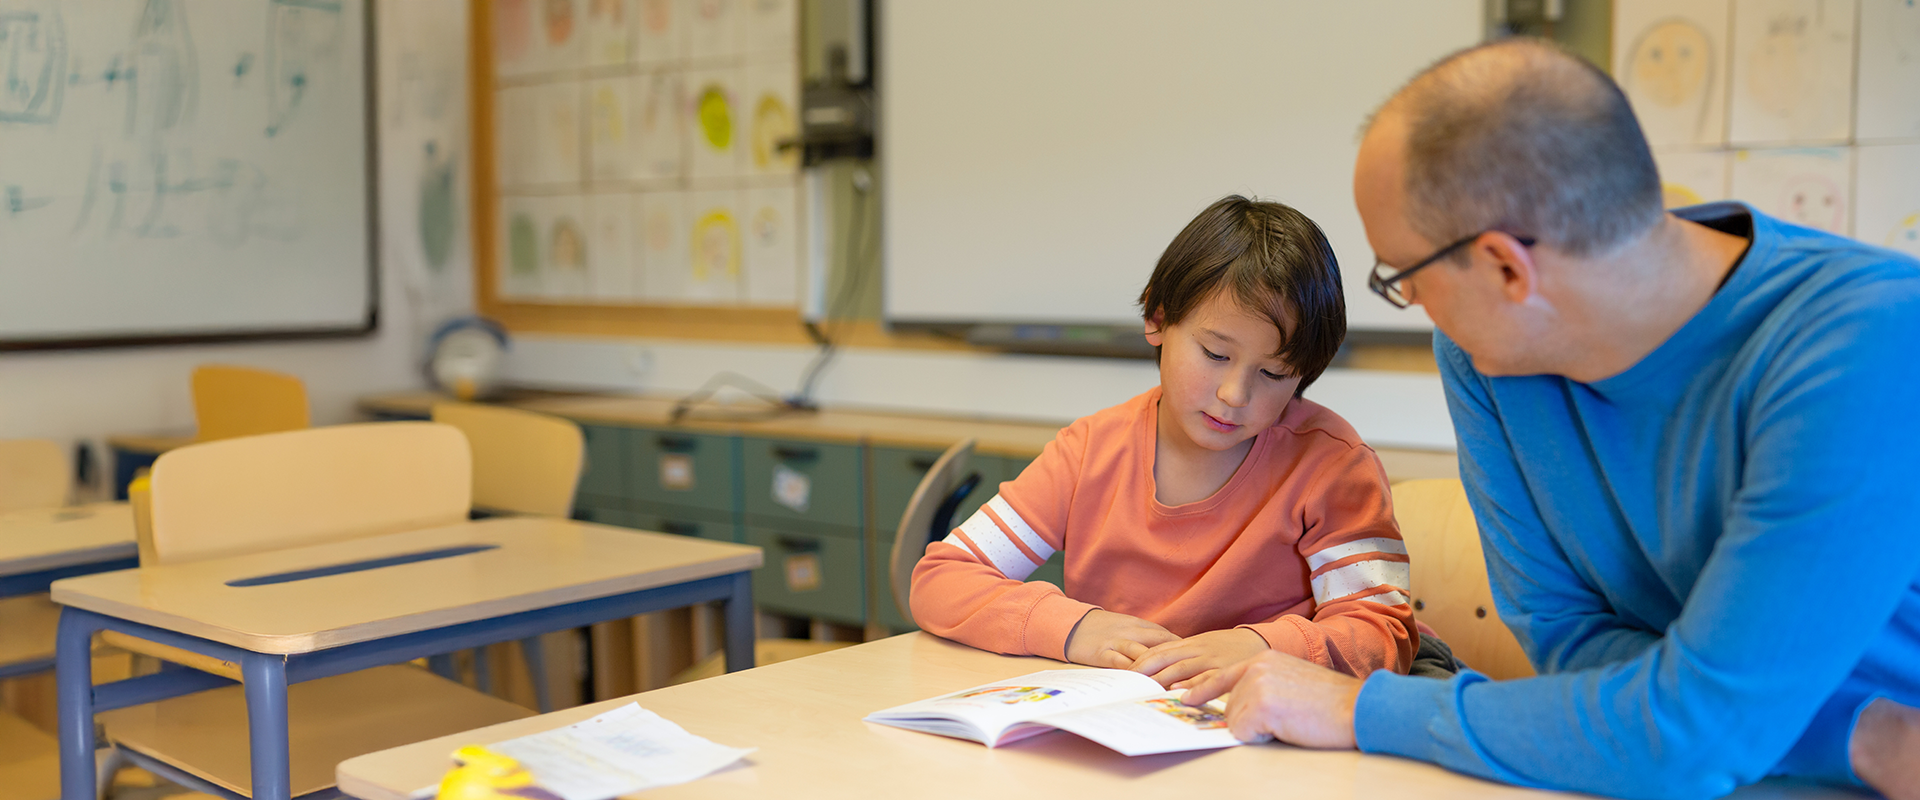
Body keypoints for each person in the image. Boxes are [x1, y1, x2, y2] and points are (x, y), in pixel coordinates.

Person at [1182, 38, 1920, 800]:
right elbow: (1568, 643)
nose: (1417, 306)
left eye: (1401, 277)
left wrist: (1358, 708)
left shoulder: (1871, 340)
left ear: (1507, 267)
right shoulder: (1485, 356)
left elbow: (1691, 734)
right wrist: (1859, 735)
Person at [911, 195, 1418, 687]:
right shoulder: (1090, 451)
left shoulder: (1331, 466)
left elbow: (1381, 635)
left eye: (1273, 372)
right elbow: (943, 578)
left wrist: (1261, 648)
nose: (1234, 394)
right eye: (1215, 354)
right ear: (1157, 318)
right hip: (1127, 723)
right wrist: (1073, 628)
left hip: (1266, 729)